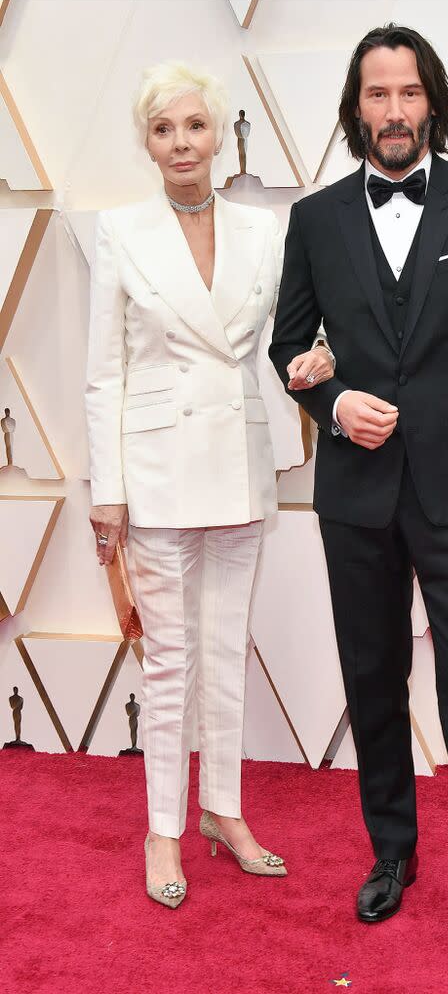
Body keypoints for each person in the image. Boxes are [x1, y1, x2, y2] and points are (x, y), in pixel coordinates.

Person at [270, 25, 448, 964]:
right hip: (354, 495)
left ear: (431, 100)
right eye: (376, 95)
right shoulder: (314, 219)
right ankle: (391, 854)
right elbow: (292, 349)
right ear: (356, 109)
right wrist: (332, 396)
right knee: (373, 681)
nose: (393, 112)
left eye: (408, 94)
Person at [85, 60, 333, 909]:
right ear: (147, 143)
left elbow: (284, 336)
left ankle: (224, 811)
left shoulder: (267, 231)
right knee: (169, 661)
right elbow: (102, 373)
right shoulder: (119, 231)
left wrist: (316, 358)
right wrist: (107, 486)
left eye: (195, 126)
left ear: (219, 136)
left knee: (226, 646)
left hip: (237, 458)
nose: (181, 142)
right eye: (164, 129)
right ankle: (164, 827)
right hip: (154, 470)